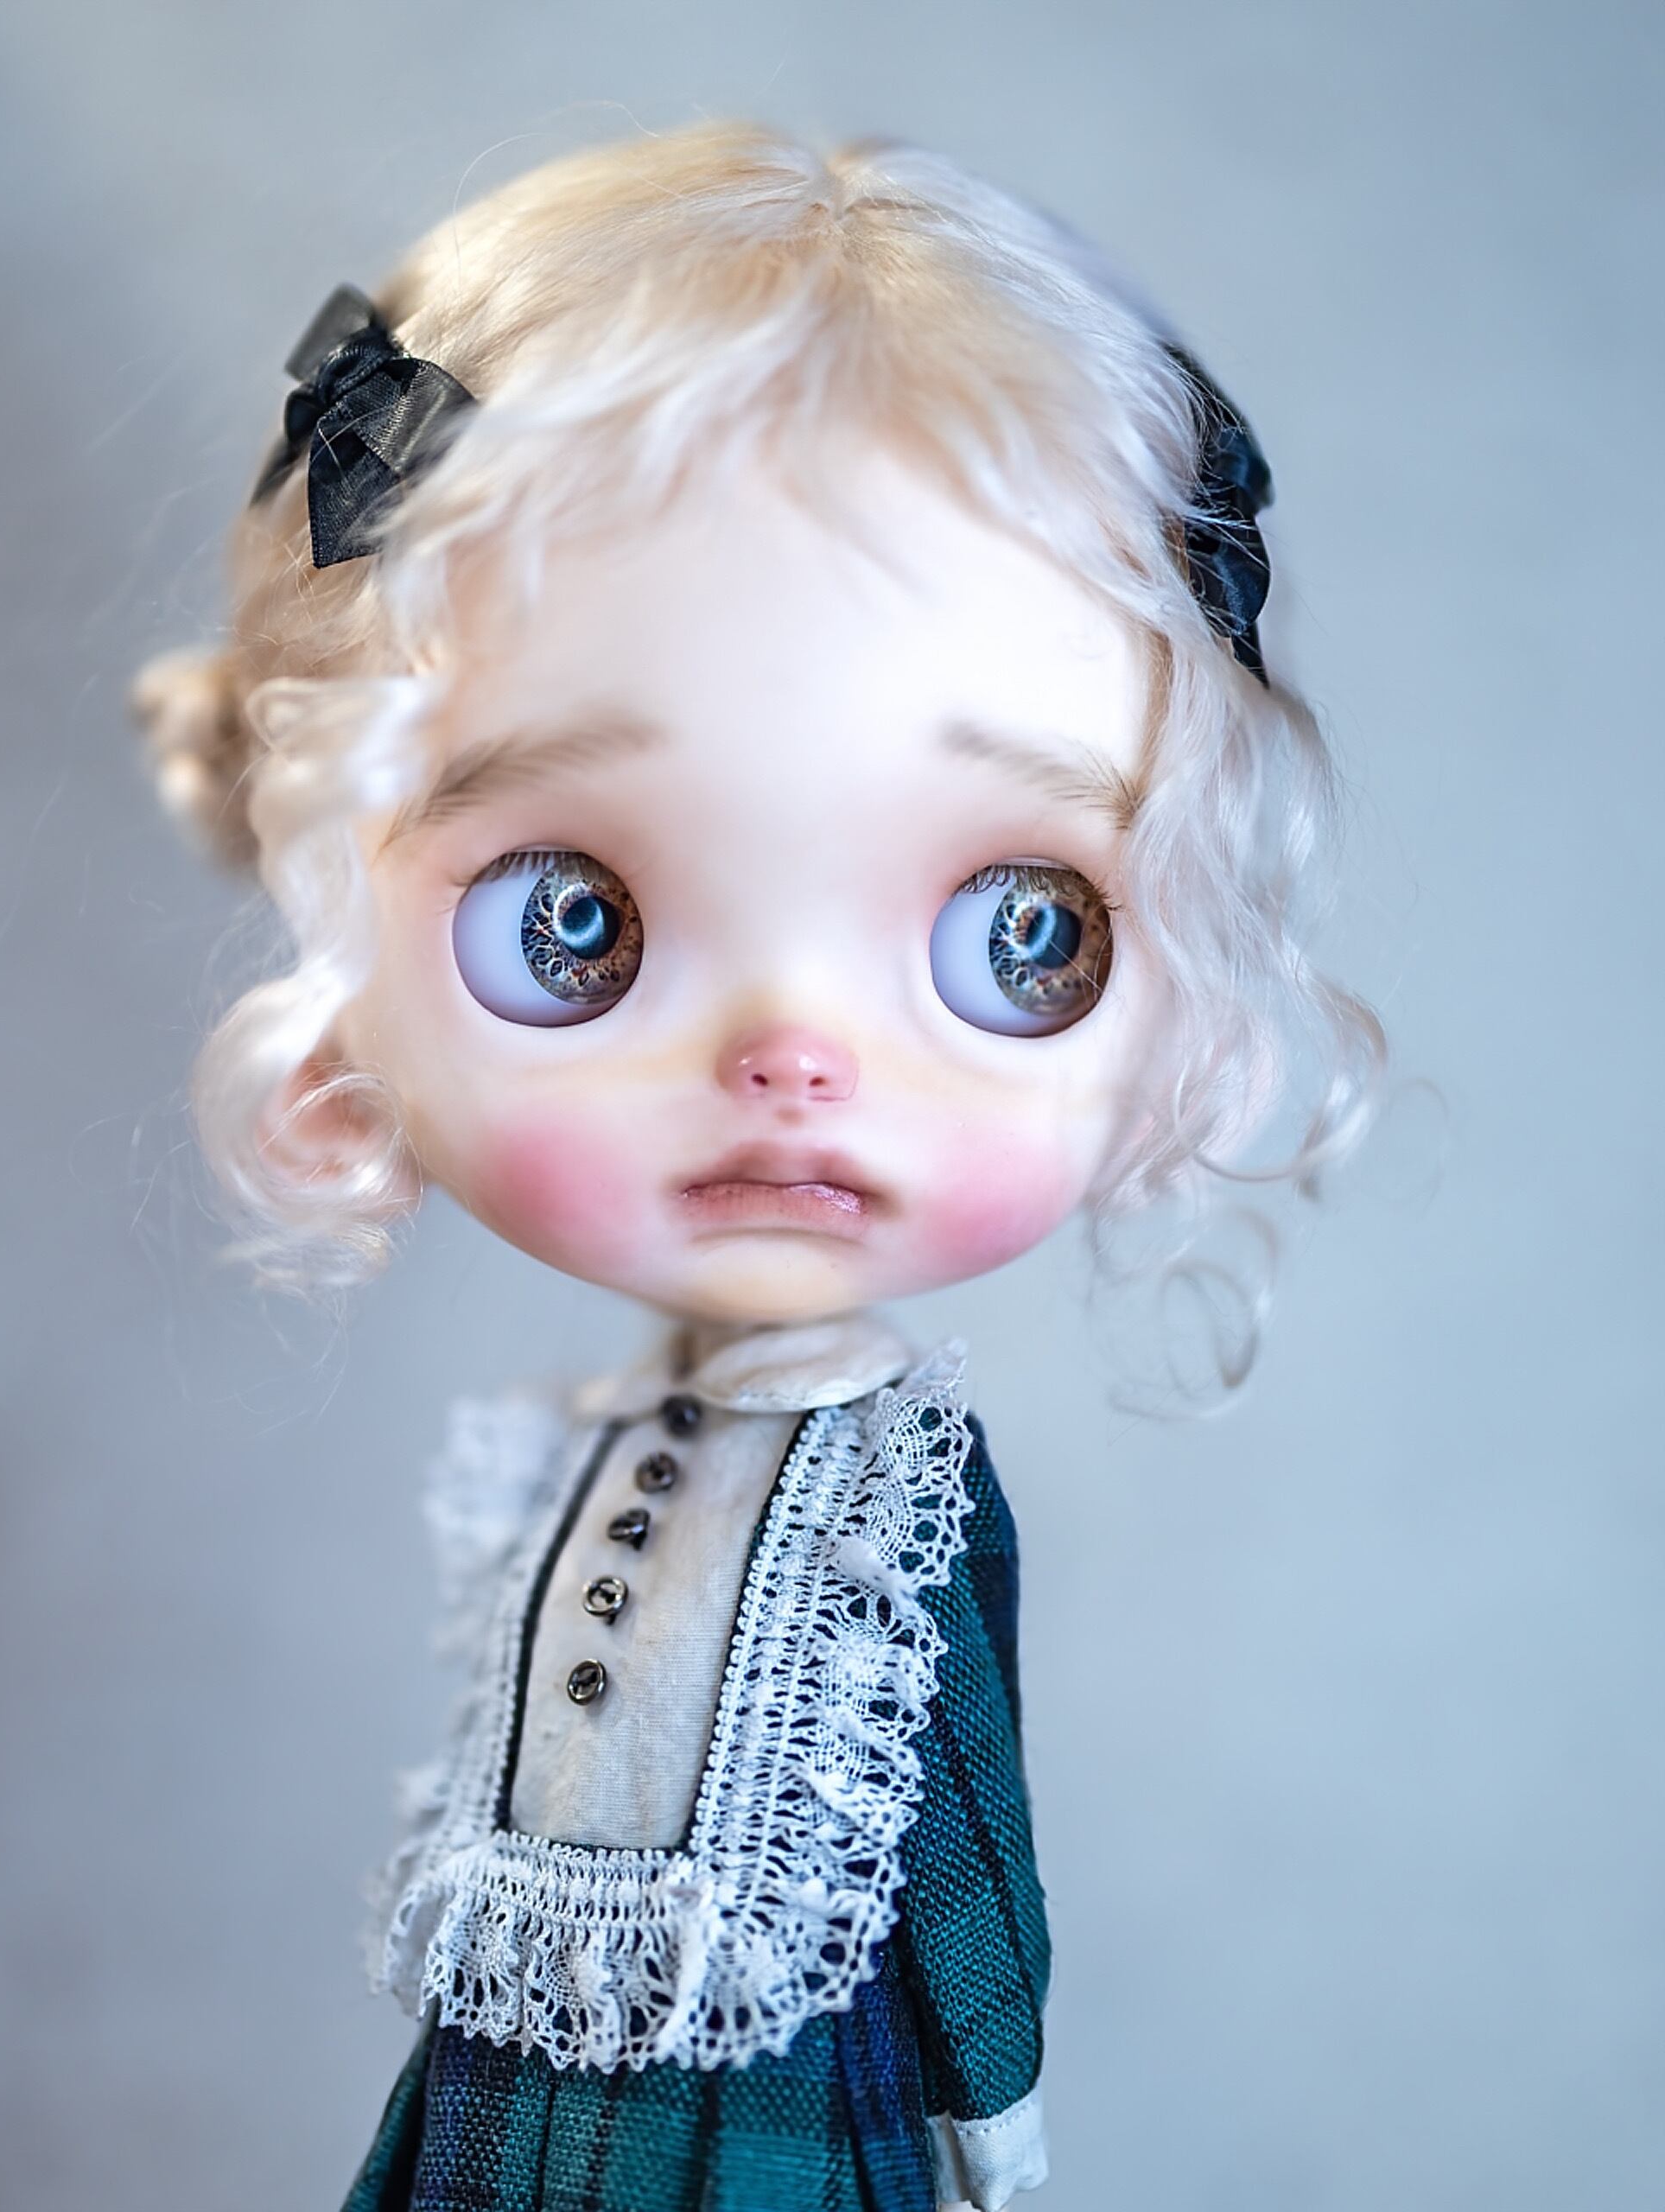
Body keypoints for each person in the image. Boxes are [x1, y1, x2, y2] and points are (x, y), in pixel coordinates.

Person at [133, 118, 1384, 2212]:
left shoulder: (898, 1494)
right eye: (576, 921)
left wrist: (994, 2111)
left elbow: (960, 1830)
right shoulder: (592, 1447)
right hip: (516, 2093)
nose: (793, 1059)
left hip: (794, 2108)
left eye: (1019, 933)